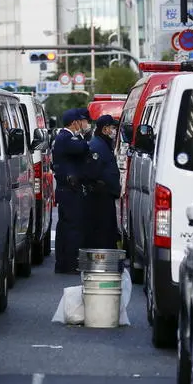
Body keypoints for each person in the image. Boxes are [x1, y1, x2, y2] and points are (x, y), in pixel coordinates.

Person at [51, 108, 91, 274]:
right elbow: (83, 148)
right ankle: (71, 263)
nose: (84, 124)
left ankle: (63, 263)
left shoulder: (63, 137)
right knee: (74, 227)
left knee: (65, 226)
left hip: (66, 189)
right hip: (70, 189)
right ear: (75, 123)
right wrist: (86, 137)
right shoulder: (66, 138)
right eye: (82, 121)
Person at [83, 115, 121, 250]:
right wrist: (99, 184)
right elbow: (92, 171)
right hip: (100, 198)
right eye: (112, 128)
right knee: (102, 232)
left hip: (106, 196)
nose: (114, 131)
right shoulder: (97, 146)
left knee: (108, 231)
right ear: (105, 129)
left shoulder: (104, 144)